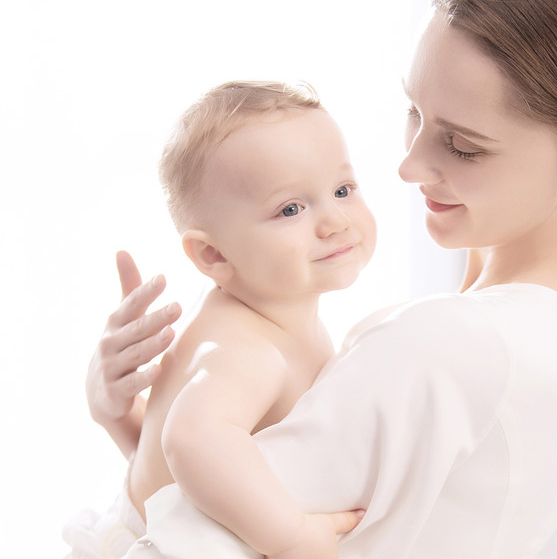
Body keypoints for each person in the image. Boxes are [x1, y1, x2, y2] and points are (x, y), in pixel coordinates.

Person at [85, 0, 557, 558]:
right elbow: (185, 486)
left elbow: (171, 535)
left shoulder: (445, 346)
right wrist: (122, 417)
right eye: (414, 112)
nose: (408, 166)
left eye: (463, 145)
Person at [64, 81, 377, 558]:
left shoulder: (260, 315)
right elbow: (191, 441)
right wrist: (291, 537)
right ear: (213, 255)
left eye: (342, 189)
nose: (336, 220)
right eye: (290, 209)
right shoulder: (248, 350)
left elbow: (176, 471)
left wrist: (116, 416)